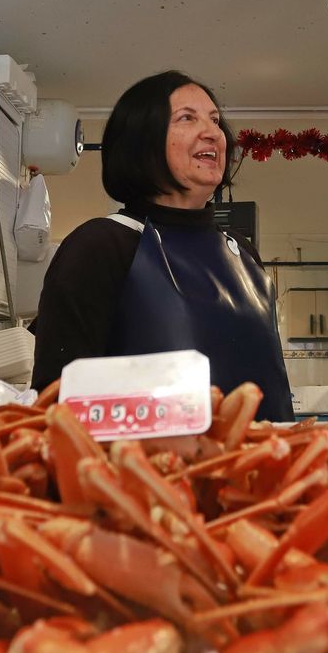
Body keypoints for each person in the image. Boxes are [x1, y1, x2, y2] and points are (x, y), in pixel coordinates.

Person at [31, 70, 294, 421]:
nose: (212, 132)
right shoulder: (101, 245)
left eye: (215, 120)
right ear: (141, 141)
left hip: (275, 468)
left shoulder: (243, 252)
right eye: (187, 118)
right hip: (148, 473)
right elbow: (56, 405)